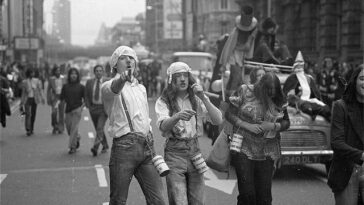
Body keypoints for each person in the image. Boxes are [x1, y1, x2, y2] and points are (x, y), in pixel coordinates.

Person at [101, 46, 165, 205]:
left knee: (158, 200)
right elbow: (114, 88)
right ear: (115, 64)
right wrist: (122, 78)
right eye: (123, 57)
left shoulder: (141, 88)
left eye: (131, 57)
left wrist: (149, 135)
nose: (129, 60)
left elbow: (145, 117)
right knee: (118, 200)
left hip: (146, 147)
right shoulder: (108, 86)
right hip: (124, 149)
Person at [155, 61, 223, 204]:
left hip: (195, 152)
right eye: (178, 76)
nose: (182, 79)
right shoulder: (164, 101)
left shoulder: (197, 98)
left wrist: (204, 97)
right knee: (179, 201)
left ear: (189, 78)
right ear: (171, 80)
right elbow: (162, 126)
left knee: (197, 201)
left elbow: (218, 120)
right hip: (174, 154)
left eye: (185, 75)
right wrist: (177, 116)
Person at [225, 72, 290, 205]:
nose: (271, 93)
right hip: (243, 147)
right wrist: (247, 125)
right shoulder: (244, 91)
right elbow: (229, 114)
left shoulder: (280, 99)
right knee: (247, 194)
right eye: (268, 90)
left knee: (264, 196)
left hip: (267, 151)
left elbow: (286, 122)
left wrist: (272, 125)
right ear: (260, 87)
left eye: (274, 90)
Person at [327, 64, 364, 205]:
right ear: (354, 81)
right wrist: (361, 156)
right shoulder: (340, 106)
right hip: (347, 172)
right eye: (362, 78)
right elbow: (336, 143)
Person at [219, 4, 259, 94]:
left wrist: (250, 38)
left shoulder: (253, 31)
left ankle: (228, 96)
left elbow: (248, 47)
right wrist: (224, 65)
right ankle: (232, 99)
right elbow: (228, 48)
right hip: (234, 57)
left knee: (236, 79)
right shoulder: (235, 33)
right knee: (237, 78)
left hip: (242, 58)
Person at [283, 51, 331, 121]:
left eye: (301, 65)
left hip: (310, 101)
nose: (299, 67)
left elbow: (316, 95)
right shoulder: (291, 78)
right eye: (297, 65)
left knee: (326, 108)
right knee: (307, 107)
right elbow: (286, 95)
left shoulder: (309, 78)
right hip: (298, 103)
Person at [85, 65, 109, 156]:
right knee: (99, 129)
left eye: (100, 71)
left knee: (99, 127)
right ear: (94, 72)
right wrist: (88, 105)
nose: (98, 72)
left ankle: (95, 147)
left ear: (103, 72)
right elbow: (86, 94)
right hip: (93, 108)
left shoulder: (107, 81)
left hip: (103, 109)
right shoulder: (89, 82)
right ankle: (105, 145)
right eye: (97, 71)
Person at [60, 68, 85, 154]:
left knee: (73, 129)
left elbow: (86, 99)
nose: (73, 75)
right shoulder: (65, 86)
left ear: (77, 76)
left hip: (77, 110)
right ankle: (77, 137)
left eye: (75, 74)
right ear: (69, 76)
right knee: (69, 129)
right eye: (72, 74)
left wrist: (81, 108)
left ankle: (72, 147)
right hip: (68, 111)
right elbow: (61, 99)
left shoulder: (81, 87)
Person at [20, 68, 45, 136]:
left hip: (34, 99)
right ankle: (28, 129)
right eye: (31, 73)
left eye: (33, 73)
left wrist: (42, 98)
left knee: (33, 114)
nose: (32, 74)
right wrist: (21, 102)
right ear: (28, 74)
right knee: (28, 114)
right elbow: (23, 93)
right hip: (27, 99)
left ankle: (31, 128)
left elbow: (40, 90)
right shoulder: (24, 82)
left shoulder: (37, 81)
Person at [47, 65, 66, 134]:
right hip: (55, 98)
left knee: (61, 114)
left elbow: (66, 88)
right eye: (56, 71)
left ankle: (61, 128)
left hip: (62, 97)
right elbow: (48, 90)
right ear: (54, 72)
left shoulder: (64, 78)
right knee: (54, 113)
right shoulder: (51, 79)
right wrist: (48, 98)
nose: (58, 72)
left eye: (59, 70)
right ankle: (54, 125)